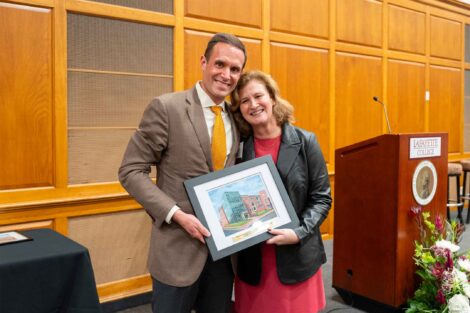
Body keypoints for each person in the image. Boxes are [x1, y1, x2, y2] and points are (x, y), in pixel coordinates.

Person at [118, 33, 246, 313]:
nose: (226, 75)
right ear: (203, 62)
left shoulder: (237, 117)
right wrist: (176, 214)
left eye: (235, 69)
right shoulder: (167, 108)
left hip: (223, 254)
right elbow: (130, 170)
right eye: (220, 64)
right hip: (177, 248)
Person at [230, 70, 332, 313]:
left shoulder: (306, 141)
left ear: (272, 98)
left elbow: (321, 199)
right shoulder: (239, 148)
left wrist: (298, 233)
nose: (253, 105)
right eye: (244, 101)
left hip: (296, 254)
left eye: (258, 96)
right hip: (254, 260)